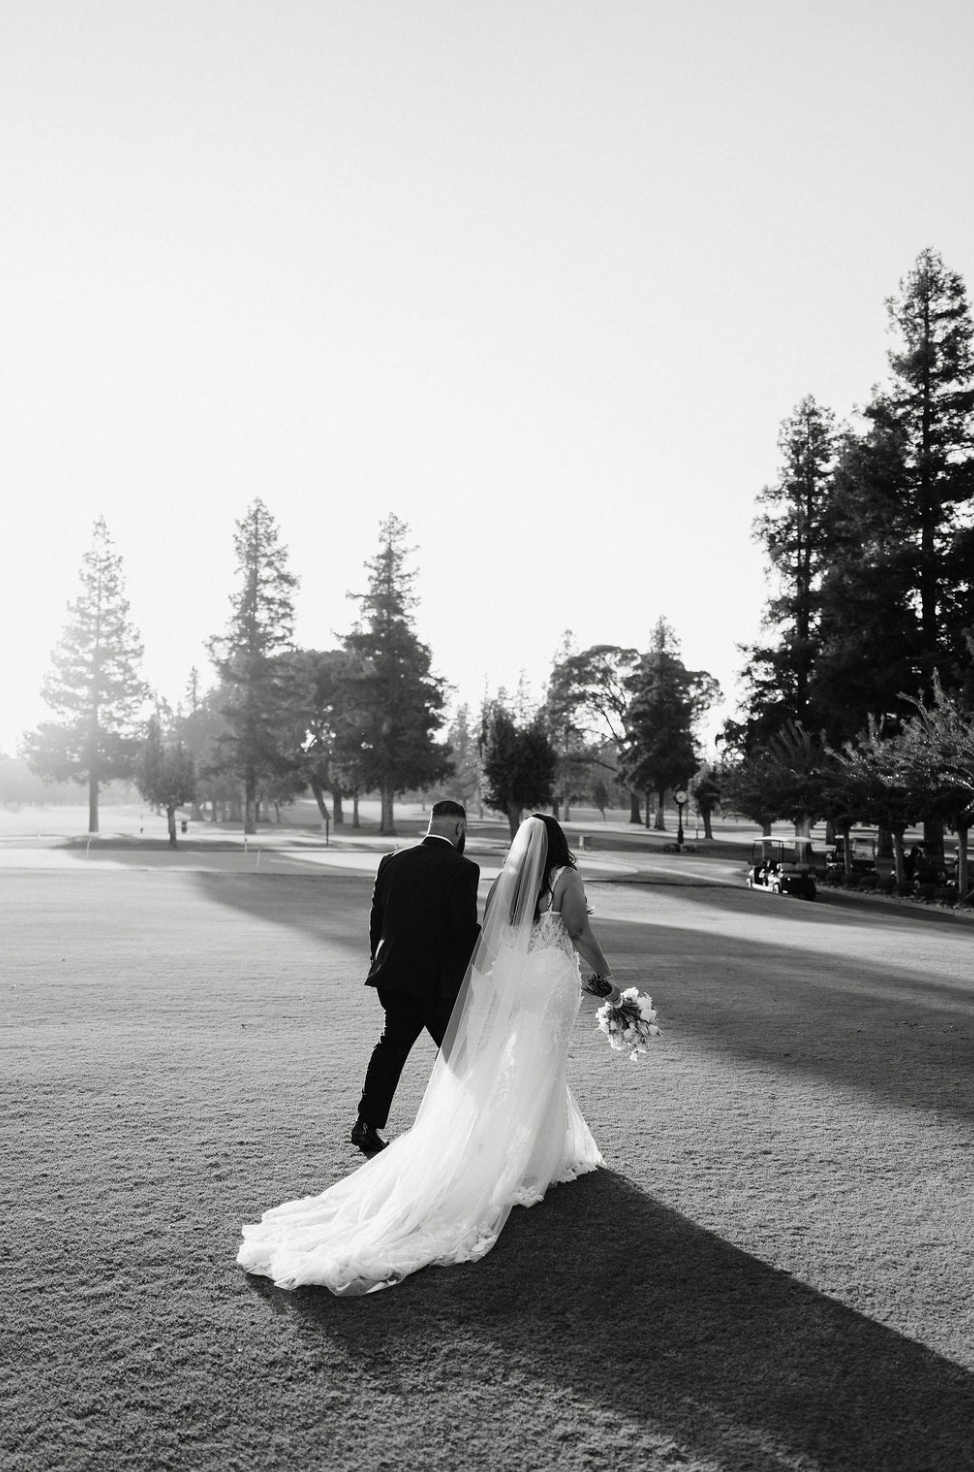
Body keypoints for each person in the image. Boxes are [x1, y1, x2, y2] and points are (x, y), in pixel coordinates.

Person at [237, 813, 622, 1296]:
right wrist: (609, 981)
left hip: (493, 978)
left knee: (496, 1062)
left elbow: (483, 935)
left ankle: (509, 1147)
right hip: (541, 979)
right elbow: (575, 933)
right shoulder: (557, 877)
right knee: (534, 1064)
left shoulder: (496, 875)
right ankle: (527, 1159)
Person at [352, 798, 481, 1155]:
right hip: (438, 984)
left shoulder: (392, 860)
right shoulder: (463, 869)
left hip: (394, 977)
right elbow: (462, 930)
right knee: (462, 1056)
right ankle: (479, 1127)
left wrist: (378, 960)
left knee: (391, 1048)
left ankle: (365, 1125)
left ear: (431, 823)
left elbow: (377, 919)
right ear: (459, 828)